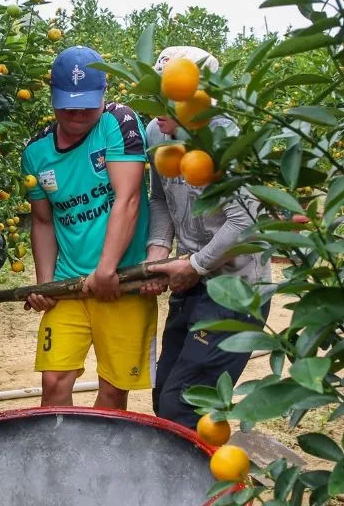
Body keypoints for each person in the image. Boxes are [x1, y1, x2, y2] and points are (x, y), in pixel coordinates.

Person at [142, 46, 272, 429]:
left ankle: (198, 486)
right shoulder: (156, 132)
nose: (159, 114)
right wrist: (157, 257)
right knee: (164, 390)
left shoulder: (226, 135)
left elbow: (242, 222)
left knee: (182, 404)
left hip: (238, 288)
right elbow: (160, 199)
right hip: (192, 280)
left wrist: (194, 265)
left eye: (169, 103)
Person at [21, 46, 156, 410]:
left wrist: (107, 270)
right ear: (52, 98)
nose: (78, 111)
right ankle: (58, 461)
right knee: (54, 382)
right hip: (70, 282)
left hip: (122, 281)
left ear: (104, 94)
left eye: (87, 102)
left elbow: (127, 199)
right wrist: (46, 284)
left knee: (112, 390)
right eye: (67, 103)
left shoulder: (119, 122)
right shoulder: (35, 152)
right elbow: (43, 220)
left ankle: (99, 464)